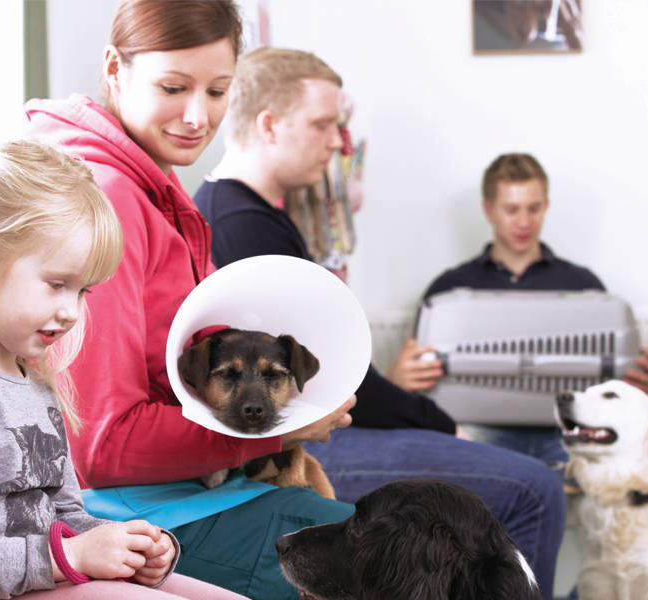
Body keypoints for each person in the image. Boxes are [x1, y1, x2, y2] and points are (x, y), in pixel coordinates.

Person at [194, 47, 566, 600]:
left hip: (330, 422)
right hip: (319, 437)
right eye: (323, 124)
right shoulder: (244, 227)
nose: (338, 143)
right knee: (534, 489)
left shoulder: (251, 217)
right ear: (269, 125)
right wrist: (441, 423)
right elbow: (341, 386)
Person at [24, 3, 354, 598]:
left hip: (186, 490)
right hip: (127, 515)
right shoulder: (112, 197)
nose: (197, 116)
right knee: (415, 559)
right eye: (173, 87)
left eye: (219, 90)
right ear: (114, 69)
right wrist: (274, 432)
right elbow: (101, 444)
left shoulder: (158, 183)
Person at [0, 140, 245, 600]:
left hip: (39, 578)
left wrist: (128, 547)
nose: (71, 312)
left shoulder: (37, 388)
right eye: (57, 284)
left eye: (82, 292)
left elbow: (63, 517)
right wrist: (71, 558)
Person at [388, 152, 648, 466]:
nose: (524, 222)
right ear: (488, 210)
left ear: (546, 206)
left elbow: (611, 392)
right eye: (511, 210)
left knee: (624, 459)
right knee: (447, 458)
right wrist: (396, 379)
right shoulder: (448, 290)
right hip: (478, 432)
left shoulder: (583, 286)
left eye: (534, 208)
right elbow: (412, 380)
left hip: (567, 434)